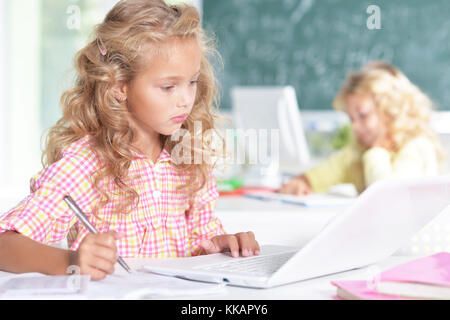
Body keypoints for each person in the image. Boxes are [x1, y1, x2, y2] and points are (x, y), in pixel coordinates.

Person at [0, 0, 259, 280]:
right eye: (168, 87)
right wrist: (71, 260)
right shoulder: (87, 165)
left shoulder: (188, 156)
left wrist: (219, 246)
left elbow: (200, 239)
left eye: (192, 82)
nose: (186, 99)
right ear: (119, 87)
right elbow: (4, 244)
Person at [280, 61, 445, 196]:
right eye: (352, 119)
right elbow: (321, 174)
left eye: (363, 115)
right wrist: (301, 182)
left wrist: (377, 152)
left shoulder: (417, 147)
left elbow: (387, 198)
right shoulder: (357, 151)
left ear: (390, 111)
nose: (355, 126)